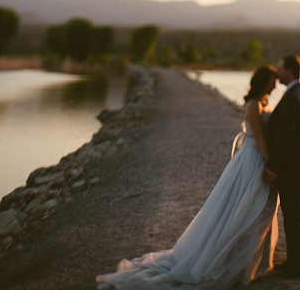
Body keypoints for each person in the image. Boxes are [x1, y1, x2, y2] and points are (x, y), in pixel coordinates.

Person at [97, 66, 281, 290]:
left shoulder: (264, 101)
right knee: (242, 208)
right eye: (273, 81)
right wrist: (269, 163)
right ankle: (229, 257)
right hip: (252, 159)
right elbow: (260, 136)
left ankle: (250, 259)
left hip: (258, 157)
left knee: (256, 209)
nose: (276, 85)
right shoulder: (253, 105)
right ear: (263, 82)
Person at [263, 54, 300, 279]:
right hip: (296, 163)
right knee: (294, 214)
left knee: (294, 215)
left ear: (290, 71)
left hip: (293, 165)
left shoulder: (293, 95)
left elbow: (285, 135)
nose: (277, 71)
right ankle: (296, 261)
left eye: (280, 68)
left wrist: (271, 165)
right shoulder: (295, 92)